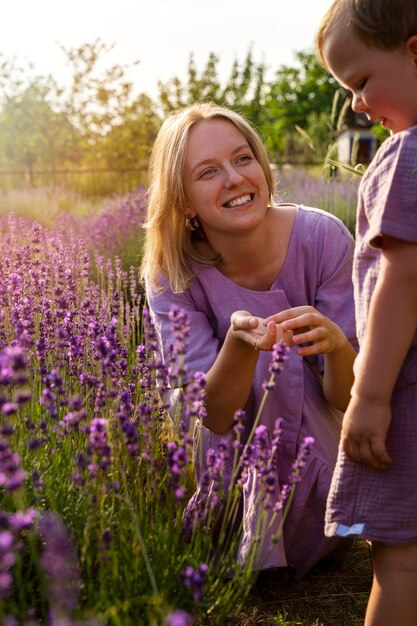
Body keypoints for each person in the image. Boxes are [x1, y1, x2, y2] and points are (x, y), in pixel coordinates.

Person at [140, 102, 357, 579]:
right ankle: (238, 524)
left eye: (243, 158)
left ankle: (310, 523)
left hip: (315, 433)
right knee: (261, 366)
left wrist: (339, 347)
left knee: (290, 368)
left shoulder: (322, 239)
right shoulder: (173, 274)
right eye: (209, 171)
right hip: (228, 440)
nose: (235, 179)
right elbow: (214, 416)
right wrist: (238, 345)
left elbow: (348, 398)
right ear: (184, 202)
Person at [316, 1, 417, 624]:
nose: (356, 103)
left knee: (400, 560)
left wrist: (369, 396)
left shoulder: (408, 153)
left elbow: (403, 281)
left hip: (404, 390)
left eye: (359, 81)